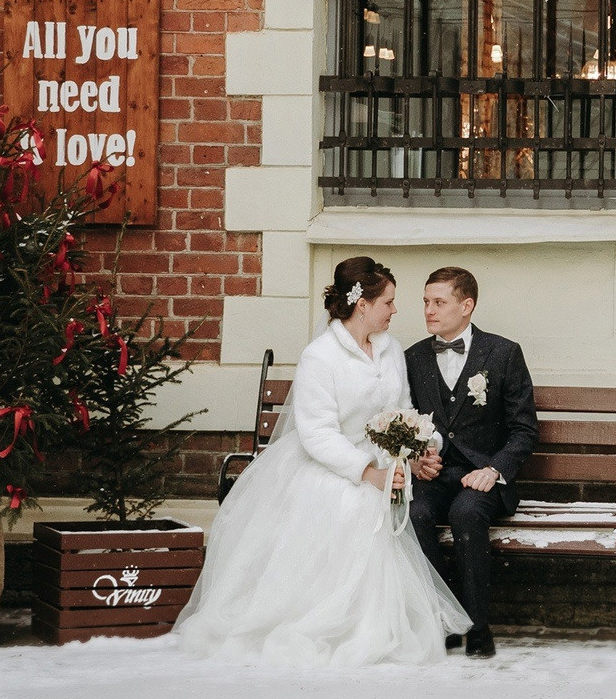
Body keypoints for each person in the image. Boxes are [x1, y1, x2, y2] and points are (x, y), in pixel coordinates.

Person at [173, 257, 469, 667]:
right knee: (358, 507)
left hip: (384, 466)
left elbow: (403, 410)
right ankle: (335, 623)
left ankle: (379, 624)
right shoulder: (321, 357)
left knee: (386, 506)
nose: (396, 310)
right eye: (389, 301)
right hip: (330, 467)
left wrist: (420, 451)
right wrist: (369, 473)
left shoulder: (390, 348)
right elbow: (317, 435)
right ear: (362, 304)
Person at [403, 267, 538, 659]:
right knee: (414, 512)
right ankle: (446, 618)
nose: (429, 310)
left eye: (439, 302)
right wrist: (417, 457)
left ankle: (478, 628)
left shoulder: (503, 353)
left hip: (485, 479)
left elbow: (525, 430)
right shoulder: (413, 358)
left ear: (467, 306)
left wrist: (493, 469)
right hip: (436, 475)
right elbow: (406, 420)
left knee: (466, 513)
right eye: (426, 302)